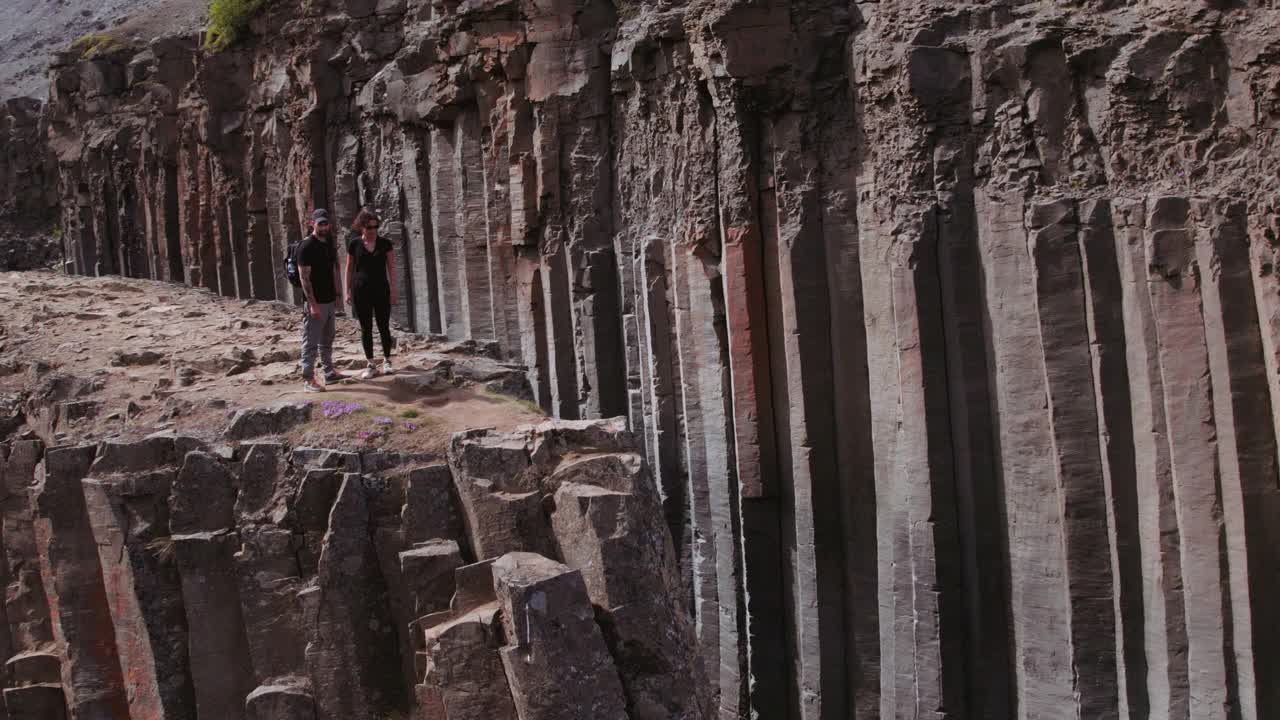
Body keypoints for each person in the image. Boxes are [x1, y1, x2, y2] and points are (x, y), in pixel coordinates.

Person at [344, 208, 397, 379]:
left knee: (383, 326)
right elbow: (349, 268)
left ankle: (387, 360)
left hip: (381, 289)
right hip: (361, 290)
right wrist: (347, 291)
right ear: (362, 228)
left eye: (375, 227)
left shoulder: (385, 243)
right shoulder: (354, 244)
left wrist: (394, 291)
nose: (373, 231)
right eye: (369, 227)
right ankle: (371, 364)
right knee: (366, 328)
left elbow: (391, 268)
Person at [298, 209, 347, 392]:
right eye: (320, 224)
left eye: (326, 223)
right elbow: (304, 278)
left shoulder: (328, 243)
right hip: (315, 302)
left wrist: (337, 295)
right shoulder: (306, 246)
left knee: (328, 338)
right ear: (312, 224)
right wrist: (312, 304)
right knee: (310, 340)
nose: (324, 227)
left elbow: (333, 270)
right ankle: (308, 379)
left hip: (329, 300)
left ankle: (329, 373)